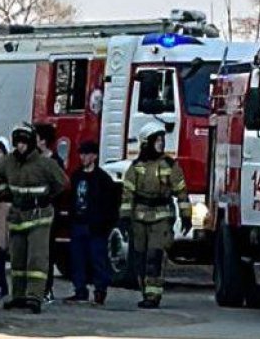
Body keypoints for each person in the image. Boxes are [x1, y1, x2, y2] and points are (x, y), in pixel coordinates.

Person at [0, 123, 68, 313]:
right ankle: (18, 296)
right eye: (17, 142)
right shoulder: (9, 162)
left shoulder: (45, 163)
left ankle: (34, 296)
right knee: (18, 259)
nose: (20, 146)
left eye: (24, 142)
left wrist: (47, 197)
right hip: (18, 215)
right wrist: (4, 193)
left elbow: (63, 183)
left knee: (36, 258)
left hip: (39, 217)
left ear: (31, 143)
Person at [119, 121, 191, 310]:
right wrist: (125, 218)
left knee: (155, 255)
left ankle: (153, 295)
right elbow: (127, 194)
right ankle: (145, 291)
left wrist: (186, 215)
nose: (160, 143)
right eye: (156, 140)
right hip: (139, 219)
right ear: (146, 143)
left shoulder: (169, 165)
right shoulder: (135, 167)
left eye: (162, 140)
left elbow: (181, 192)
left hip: (162, 218)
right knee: (140, 256)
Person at [65, 140, 119, 305]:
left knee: (98, 259)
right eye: (81, 154)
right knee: (77, 259)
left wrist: (104, 224)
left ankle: (100, 291)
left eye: (87, 154)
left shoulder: (103, 179)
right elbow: (71, 200)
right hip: (78, 224)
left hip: (96, 227)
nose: (83, 157)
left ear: (94, 156)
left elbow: (111, 204)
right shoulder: (76, 176)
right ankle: (80, 290)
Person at [35, 122, 65, 303]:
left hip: (49, 210)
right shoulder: (34, 160)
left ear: (43, 140)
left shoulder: (55, 162)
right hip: (33, 211)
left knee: (47, 251)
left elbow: (61, 185)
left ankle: (47, 288)